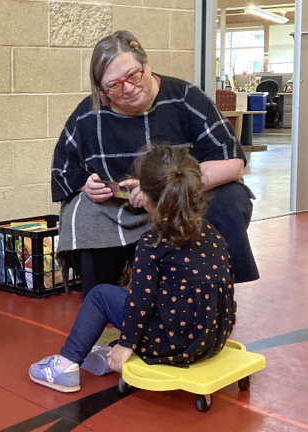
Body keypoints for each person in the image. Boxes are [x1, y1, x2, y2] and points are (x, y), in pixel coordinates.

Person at [52, 30, 259, 299]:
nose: (127, 88)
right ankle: (101, 299)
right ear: (101, 91)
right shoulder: (88, 113)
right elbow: (64, 170)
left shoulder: (186, 98)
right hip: (120, 208)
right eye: (114, 86)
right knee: (82, 211)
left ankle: (212, 291)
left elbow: (232, 163)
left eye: (133, 76)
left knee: (230, 199)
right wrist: (85, 185)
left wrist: (160, 189)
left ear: (146, 63)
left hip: (180, 197)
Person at [29, 145, 236, 392]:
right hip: (210, 340)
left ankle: (65, 365)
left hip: (169, 344)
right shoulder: (212, 234)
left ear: (145, 198)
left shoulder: (154, 242)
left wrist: (127, 342)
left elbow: (141, 299)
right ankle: (109, 351)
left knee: (100, 296)